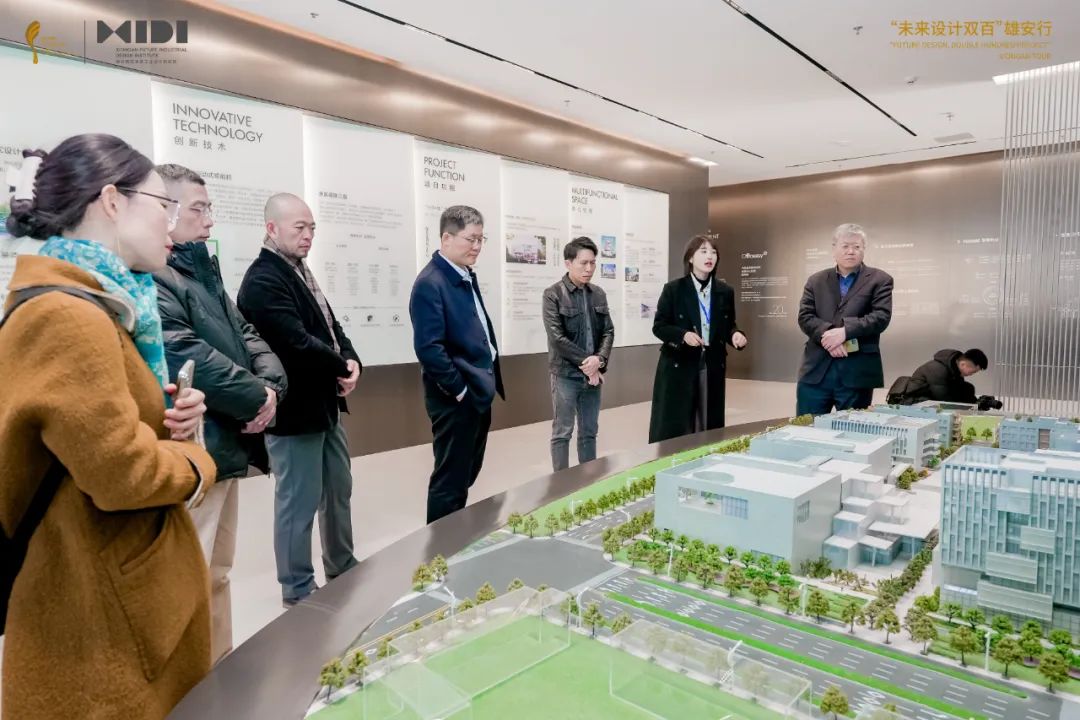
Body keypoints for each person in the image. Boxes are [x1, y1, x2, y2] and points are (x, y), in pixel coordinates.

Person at [0, 135, 215, 720]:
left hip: (113, 606)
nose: (172, 222)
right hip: (98, 628)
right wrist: (196, 461)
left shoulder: (102, 305)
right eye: (163, 204)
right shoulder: (68, 315)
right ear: (113, 200)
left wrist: (174, 421)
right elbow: (122, 473)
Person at [153, 164, 287, 661]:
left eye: (209, 207)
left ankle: (219, 675)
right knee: (189, 578)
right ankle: (193, 685)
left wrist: (269, 389)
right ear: (165, 211)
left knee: (217, 573)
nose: (209, 219)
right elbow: (186, 353)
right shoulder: (156, 278)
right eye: (199, 208)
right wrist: (256, 398)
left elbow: (246, 333)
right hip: (194, 448)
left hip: (223, 446)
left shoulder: (202, 271)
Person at [237, 193, 361, 608]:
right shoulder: (262, 279)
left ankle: (343, 566)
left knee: (338, 490)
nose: (308, 235)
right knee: (298, 502)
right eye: (299, 228)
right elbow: (295, 342)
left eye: (312, 228)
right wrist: (340, 367)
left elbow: (331, 327)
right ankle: (297, 588)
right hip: (294, 413)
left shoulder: (299, 271)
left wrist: (352, 360)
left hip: (325, 407)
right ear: (272, 228)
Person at [410, 205, 503, 524]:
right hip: (456, 398)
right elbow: (429, 348)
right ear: (446, 238)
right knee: (450, 481)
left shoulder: (462, 274)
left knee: (466, 472)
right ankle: (440, 546)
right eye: (471, 239)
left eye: (481, 239)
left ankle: (455, 535)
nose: (477, 246)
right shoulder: (431, 282)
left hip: (476, 391)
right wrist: (460, 390)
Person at [649, 234, 747, 443]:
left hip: (711, 363)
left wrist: (736, 335)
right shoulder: (674, 289)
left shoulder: (725, 291)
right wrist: (683, 335)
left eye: (713, 252)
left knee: (708, 420)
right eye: (703, 251)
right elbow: (659, 326)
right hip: (680, 363)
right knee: (678, 423)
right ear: (691, 258)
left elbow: (728, 325)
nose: (709, 256)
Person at [796, 223, 893, 416]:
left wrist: (844, 332)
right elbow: (805, 316)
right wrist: (829, 336)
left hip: (856, 372)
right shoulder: (816, 280)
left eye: (857, 246)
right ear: (834, 249)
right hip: (816, 371)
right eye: (845, 246)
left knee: (852, 429)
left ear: (864, 249)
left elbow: (880, 317)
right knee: (806, 426)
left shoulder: (880, 279)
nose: (851, 251)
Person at [542, 236, 615, 471]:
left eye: (593, 263)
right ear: (568, 263)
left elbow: (608, 330)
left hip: (593, 374)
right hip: (566, 375)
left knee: (589, 432)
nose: (589, 268)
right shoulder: (553, 294)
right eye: (583, 263)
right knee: (562, 432)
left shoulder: (598, 293)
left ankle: (588, 480)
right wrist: (589, 364)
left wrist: (599, 360)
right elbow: (557, 338)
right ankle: (561, 484)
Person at [909, 348, 988, 403]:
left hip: (935, 395)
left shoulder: (955, 369)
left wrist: (976, 403)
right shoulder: (938, 369)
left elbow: (960, 391)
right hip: (916, 399)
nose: (971, 374)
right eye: (972, 372)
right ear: (963, 364)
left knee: (968, 388)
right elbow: (942, 398)